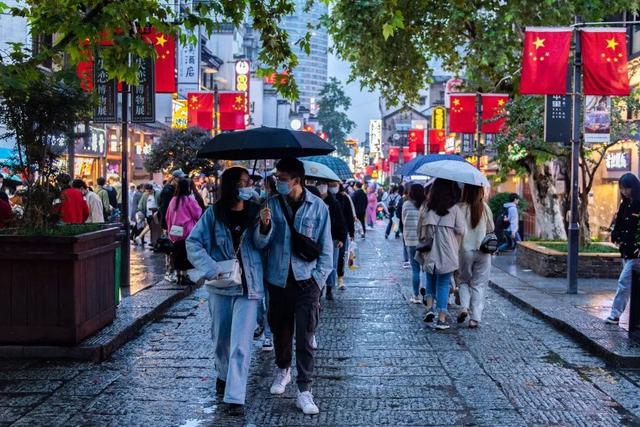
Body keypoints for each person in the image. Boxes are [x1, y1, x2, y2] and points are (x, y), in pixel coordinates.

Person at [254, 157, 332, 416]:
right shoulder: (271, 205)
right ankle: (283, 369)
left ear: (296, 180)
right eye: (277, 178)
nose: (278, 182)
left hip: (306, 281)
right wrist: (263, 227)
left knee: (306, 336)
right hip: (278, 280)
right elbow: (261, 245)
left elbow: (326, 248)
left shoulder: (318, 207)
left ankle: (304, 389)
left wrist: (318, 280)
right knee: (281, 331)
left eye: (283, 178)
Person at [186, 166, 264, 417]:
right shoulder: (213, 214)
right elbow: (193, 242)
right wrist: (210, 268)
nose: (246, 186)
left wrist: (264, 226)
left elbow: (263, 244)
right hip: (221, 285)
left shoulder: (256, 212)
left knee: (241, 342)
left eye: (248, 181)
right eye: (242, 182)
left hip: (249, 284)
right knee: (221, 339)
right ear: (231, 186)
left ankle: (235, 396)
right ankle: (223, 374)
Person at [417, 178, 465, 330]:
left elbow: (420, 230)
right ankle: (442, 319)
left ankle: (429, 308)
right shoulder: (455, 209)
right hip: (447, 250)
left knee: (430, 280)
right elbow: (462, 230)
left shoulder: (426, 209)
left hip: (429, 250)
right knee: (443, 284)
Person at [457, 185, 494, 328]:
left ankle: (464, 307)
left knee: (463, 281)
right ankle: (475, 318)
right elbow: (491, 228)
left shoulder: (460, 208)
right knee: (478, 284)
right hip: (483, 251)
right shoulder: (484, 208)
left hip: (465, 251)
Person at [606, 173, 640, 324]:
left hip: (636, 253)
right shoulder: (624, 204)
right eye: (622, 189)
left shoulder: (639, 204)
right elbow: (618, 224)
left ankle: (615, 314)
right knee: (630, 285)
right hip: (625, 250)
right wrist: (616, 236)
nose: (624, 192)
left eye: (627, 188)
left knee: (624, 283)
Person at [166, 179, 203, 285]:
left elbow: (168, 216)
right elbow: (197, 213)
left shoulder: (173, 200)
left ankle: (178, 276)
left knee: (177, 253)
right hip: (187, 230)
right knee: (185, 253)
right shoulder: (189, 199)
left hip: (175, 231)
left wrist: (169, 229)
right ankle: (184, 276)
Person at [317, 180, 347, 301]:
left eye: (324, 185)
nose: (322, 187)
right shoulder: (314, 200)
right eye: (320, 184)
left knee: (332, 264)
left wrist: (341, 238)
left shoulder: (334, 202)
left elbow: (341, 220)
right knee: (318, 264)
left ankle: (329, 288)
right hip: (317, 237)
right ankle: (319, 288)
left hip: (333, 237)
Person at [402, 183, 426, 304]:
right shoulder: (425, 206)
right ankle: (427, 293)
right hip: (424, 241)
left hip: (411, 241)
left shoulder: (406, 204)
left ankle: (416, 296)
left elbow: (403, 221)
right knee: (426, 268)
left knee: (415, 269)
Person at [334, 183, 355, 290]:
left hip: (341, 233)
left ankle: (340, 279)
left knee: (340, 257)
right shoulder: (323, 197)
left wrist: (351, 232)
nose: (332, 187)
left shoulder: (344, 198)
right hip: (328, 232)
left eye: (334, 184)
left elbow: (349, 216)